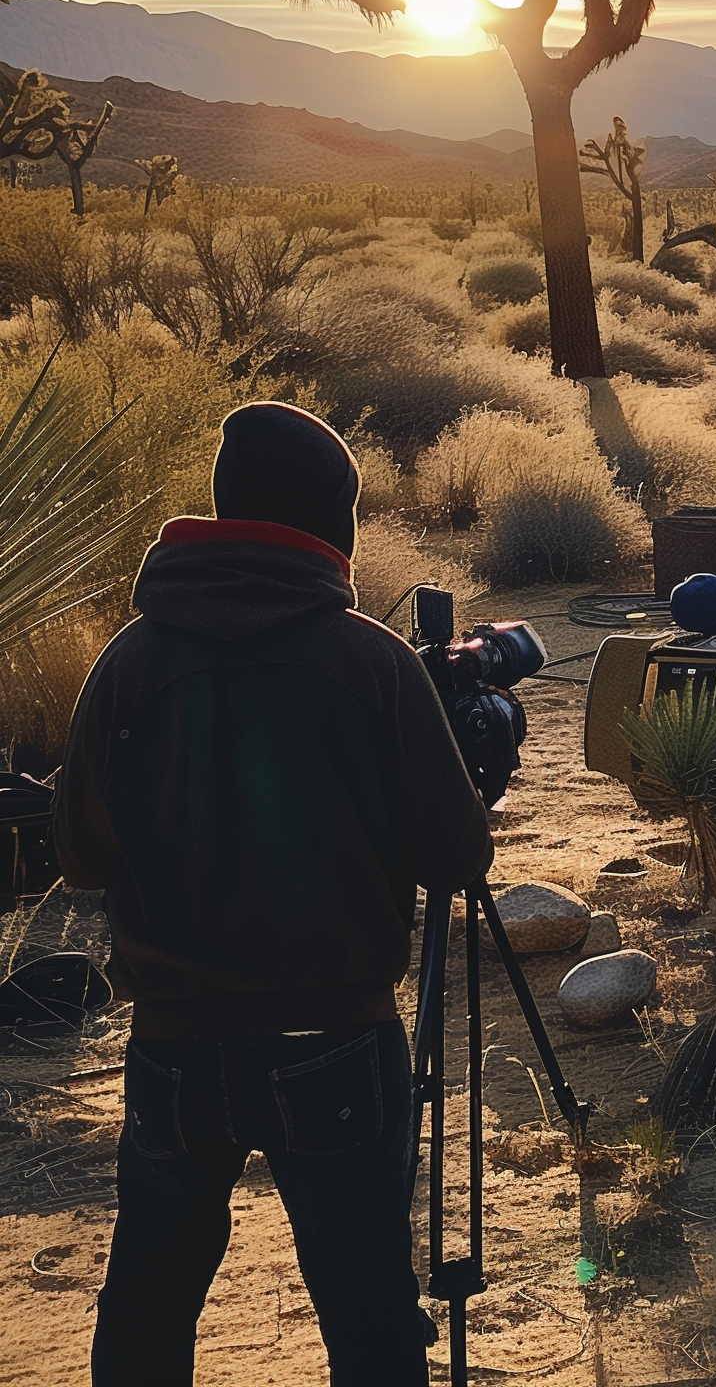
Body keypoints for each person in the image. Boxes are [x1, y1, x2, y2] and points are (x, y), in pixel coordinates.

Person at [54, 402, 493, 1386]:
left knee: (147, 1305)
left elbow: (78, 852)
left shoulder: (129, 661)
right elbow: (454, 855)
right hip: (335, 1042)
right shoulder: (370, 662)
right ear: (328, 522)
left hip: (174, 1046)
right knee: (371, 1315)